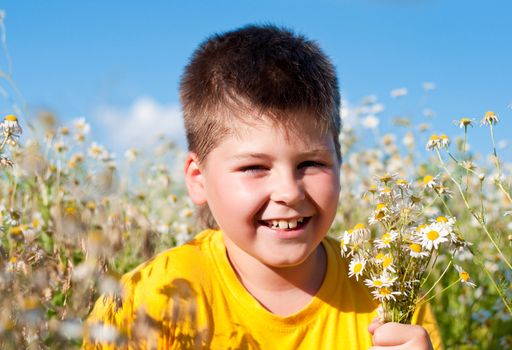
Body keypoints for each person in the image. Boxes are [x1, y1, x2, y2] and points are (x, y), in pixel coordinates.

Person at [83, 24, 442, 349]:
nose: (289, 191)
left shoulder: (391, 298)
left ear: (339, 163)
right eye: (254, 167)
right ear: (198, 178)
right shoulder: (142, 302)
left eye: (311, 164)